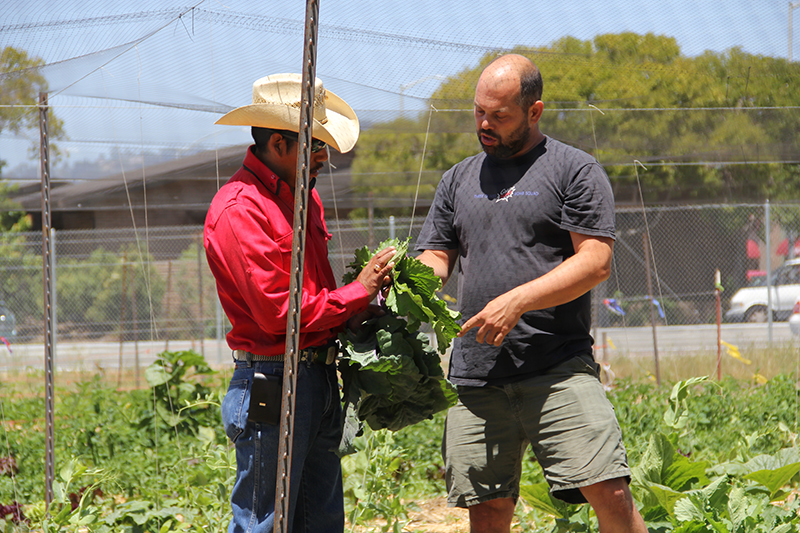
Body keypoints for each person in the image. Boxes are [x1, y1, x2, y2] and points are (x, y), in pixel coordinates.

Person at [415, 54, 647, 532]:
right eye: (479, 111)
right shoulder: (458, 178)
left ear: (534, 111)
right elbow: (436, 257)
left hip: (557, 366)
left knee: (609, 488)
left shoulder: (572, 170)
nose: (484, 123)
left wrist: (518, 300)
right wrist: (397, 280)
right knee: (489, 507)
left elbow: (594, 262)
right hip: (477, 373)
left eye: (499, 115)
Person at [204, 73, 395, 533]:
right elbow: (279, 314)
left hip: (316, 377)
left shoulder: (305, 198)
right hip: (272, 380)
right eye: (314, 145)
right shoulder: (239, 210)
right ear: (277, 143)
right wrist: (358, 291)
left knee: (320, 519)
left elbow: (316, 295)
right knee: (263, 522)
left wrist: (360, 309)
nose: (324, 158)